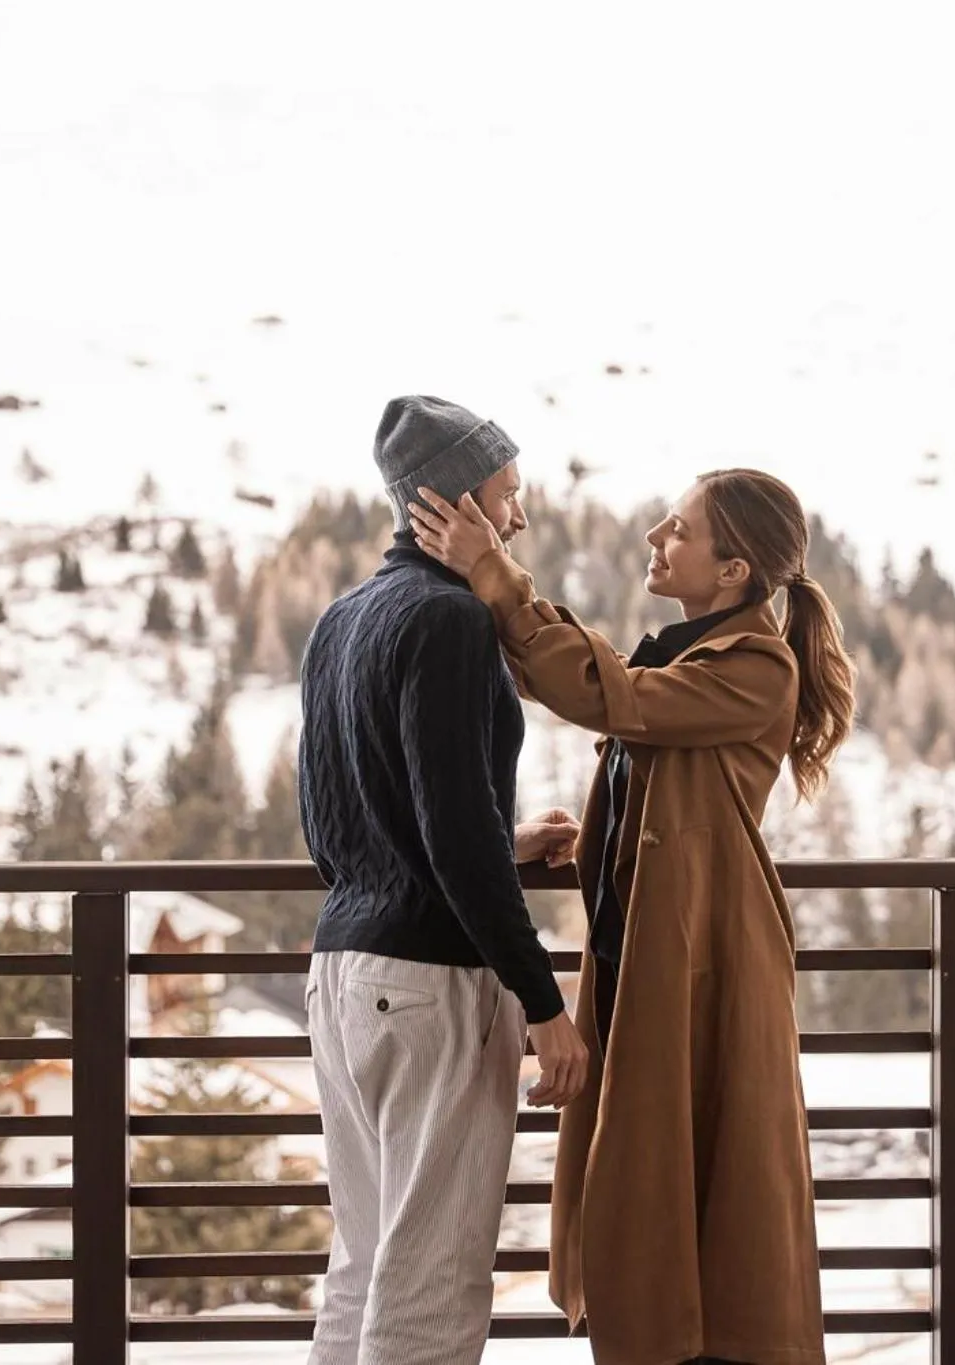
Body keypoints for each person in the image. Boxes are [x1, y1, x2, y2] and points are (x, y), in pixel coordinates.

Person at [407, 468, 856, 1365]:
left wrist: (497, 575)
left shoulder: (757, 665)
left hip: (708, 956)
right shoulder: (693, 653)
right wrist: (599, 842)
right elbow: (631, 724)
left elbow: (605, 694)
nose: (656, 534)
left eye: (679, 528)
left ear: (733, 572)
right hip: (657, 949)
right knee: (651, 1179)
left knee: (696, 1186)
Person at [298, 395, 591, 1365]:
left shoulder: (341, 623)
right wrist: (544, 1005)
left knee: (364, 1263)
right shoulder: (455, 622)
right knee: (428, 1287)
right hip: (430, 987)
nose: (517, 518)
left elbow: (338, 833)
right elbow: (453, 839)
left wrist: (496, 844)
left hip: (341, 977)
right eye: (506, 494)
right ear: (455, 503)